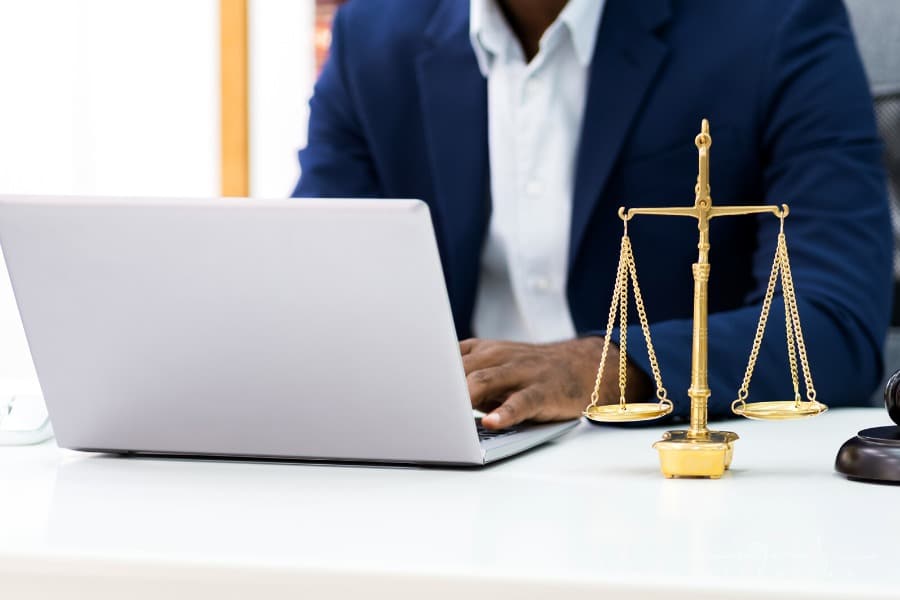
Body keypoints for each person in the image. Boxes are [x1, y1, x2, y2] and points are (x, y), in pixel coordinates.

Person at [293, 0, 892, 430]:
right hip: (458, 464)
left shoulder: (776, 20)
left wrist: (604, 368)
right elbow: (311, 291)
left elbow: (834, 322)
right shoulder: (372, 33)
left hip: (675, 462)